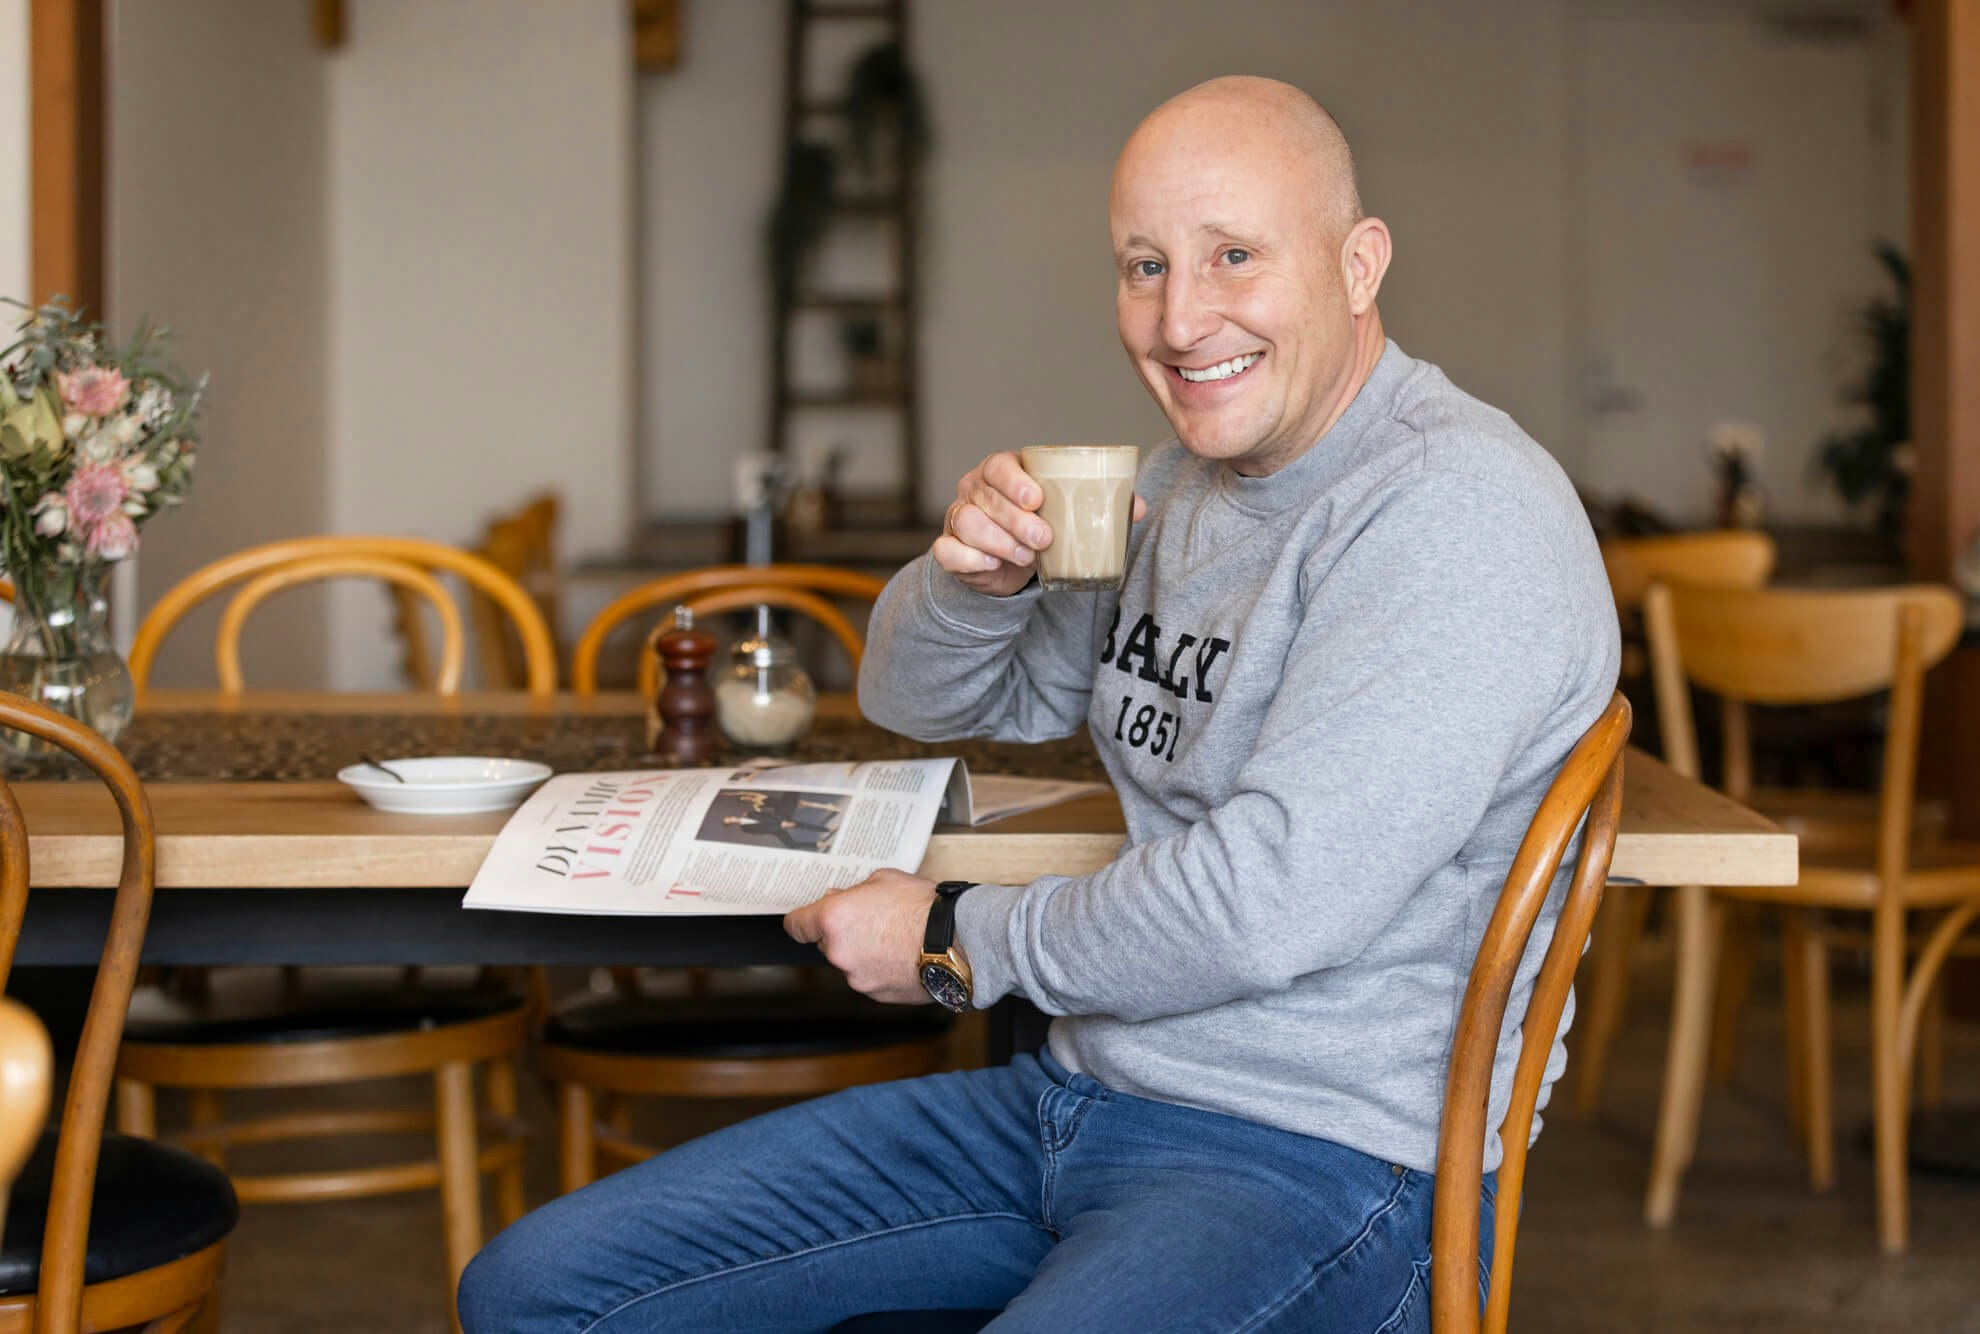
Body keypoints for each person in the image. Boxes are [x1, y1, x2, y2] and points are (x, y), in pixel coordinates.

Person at [458, 74, 1618, 1333]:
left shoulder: (1456, 508)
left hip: (1326, 1162)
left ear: (1356, 263)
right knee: (538, 1290)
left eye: (1234, 254)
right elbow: (918, 699)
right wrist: (970, 578)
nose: (1180, 320)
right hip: (1071, 1098)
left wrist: (957, 939)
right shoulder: (1179, 485)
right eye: (1142, 265)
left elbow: (1265, 902)